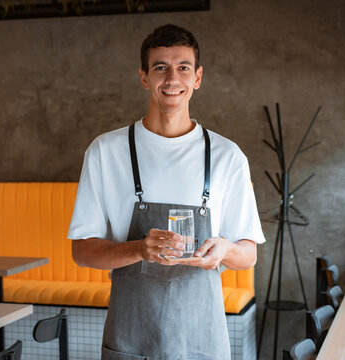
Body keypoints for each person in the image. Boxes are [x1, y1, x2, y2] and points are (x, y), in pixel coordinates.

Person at [68, 24, 266, 360]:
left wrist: (225, 249)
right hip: (130, 341)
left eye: (183, 68)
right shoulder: (105, 151)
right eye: (160, 67)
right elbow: (82, 251)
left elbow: (248, 254)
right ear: (144, 77)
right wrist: (139, 249)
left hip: (203, 342)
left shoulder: (227, 156)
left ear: (197, 77)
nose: (172, 79)